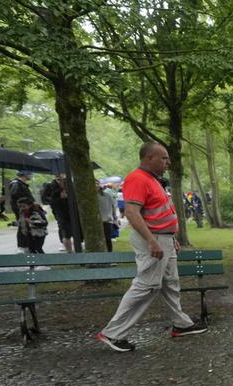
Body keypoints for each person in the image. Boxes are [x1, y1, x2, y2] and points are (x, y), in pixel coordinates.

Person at [96, 143, 207, 352]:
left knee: (170, 283)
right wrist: (152, 240)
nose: (168, 162)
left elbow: (157, 211)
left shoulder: (153, 180)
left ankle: (181, 324)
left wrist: (169, 237)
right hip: (153, 240)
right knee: (147, 285)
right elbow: (132, 212)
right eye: (164, 158)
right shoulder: (137, 178)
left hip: (163, 238)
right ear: (148, 158)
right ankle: (113, 333)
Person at [41, 174, 74, 252]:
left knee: (73, 226)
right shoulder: (50, 185)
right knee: (63, 226)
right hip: (59, 209)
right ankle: (65, 244)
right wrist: (58, 198)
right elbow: (44, 199)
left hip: (71, 209)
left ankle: (74, 245)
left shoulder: (69, 183)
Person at [8, 170, 35, 253]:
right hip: (21, 209)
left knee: (25, 226)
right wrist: (26, 202)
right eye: (30, 173)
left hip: (25, 208)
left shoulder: (21, 184)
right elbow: (15, 196)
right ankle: (22, 246)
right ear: (24, 174)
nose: (31, 175)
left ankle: (25, 245)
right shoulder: (16, 183)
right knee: (23, 226)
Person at [97, 182, 118, 252]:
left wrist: (114, 217)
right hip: (107, 220)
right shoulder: (108, 195)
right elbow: (113, 207)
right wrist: (115, 217)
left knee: (106, 239)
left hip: (104, 220)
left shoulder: (105, 196)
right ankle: (109, 255)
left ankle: (108, 255)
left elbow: (113, 207)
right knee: (107, 239)